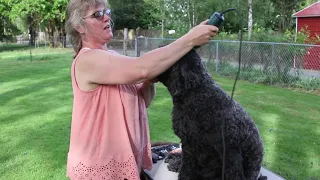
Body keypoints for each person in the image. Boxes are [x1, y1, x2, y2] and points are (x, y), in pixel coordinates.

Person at [65, 0, 218, 179]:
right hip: (99, 166)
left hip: (124, 160)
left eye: (106, 12)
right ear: (79, 27)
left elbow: (144, 99)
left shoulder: (113, 57)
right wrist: (190, 39)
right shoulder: (87, 59)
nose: (107, 18)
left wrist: (148, 81)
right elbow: (142, 68)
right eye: (97, 15)